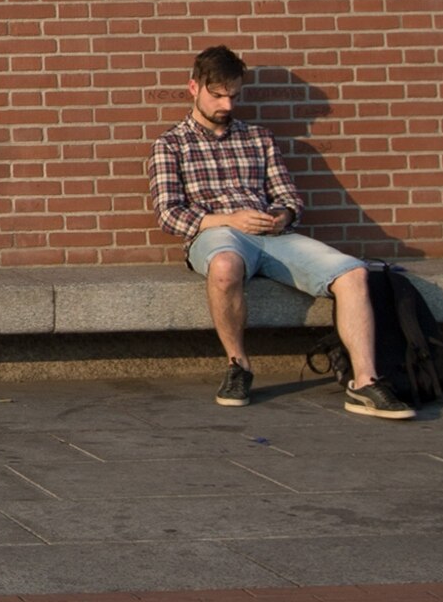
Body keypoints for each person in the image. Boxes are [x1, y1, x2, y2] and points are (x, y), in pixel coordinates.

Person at [149, 47, 409, 420]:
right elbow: (169, 214)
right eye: (218, 95)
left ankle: (365, 383)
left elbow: (289, 198)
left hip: (271, 234)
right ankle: (238, 366)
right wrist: (229, 219)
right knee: (224, 266)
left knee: (353, 272)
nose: (226, 104)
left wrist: (282, 216)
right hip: (217, 233)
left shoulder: (259, 138)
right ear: (194, 87)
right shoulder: (171, 144)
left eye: (234, 96)